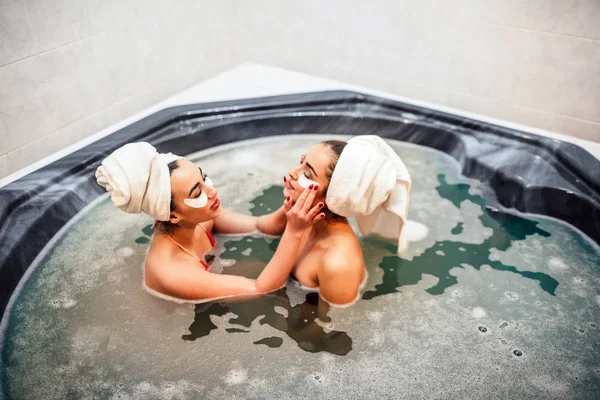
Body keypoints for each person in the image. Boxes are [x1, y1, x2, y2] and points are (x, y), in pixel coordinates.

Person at [95, 142, 324, 301]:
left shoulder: (199, 219)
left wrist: (294, 204)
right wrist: (295, 231)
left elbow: (260, 226)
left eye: (204, 177)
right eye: (197, 192)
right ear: (173, 215)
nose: (212, 191)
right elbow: (261, 289)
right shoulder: (171, 271)